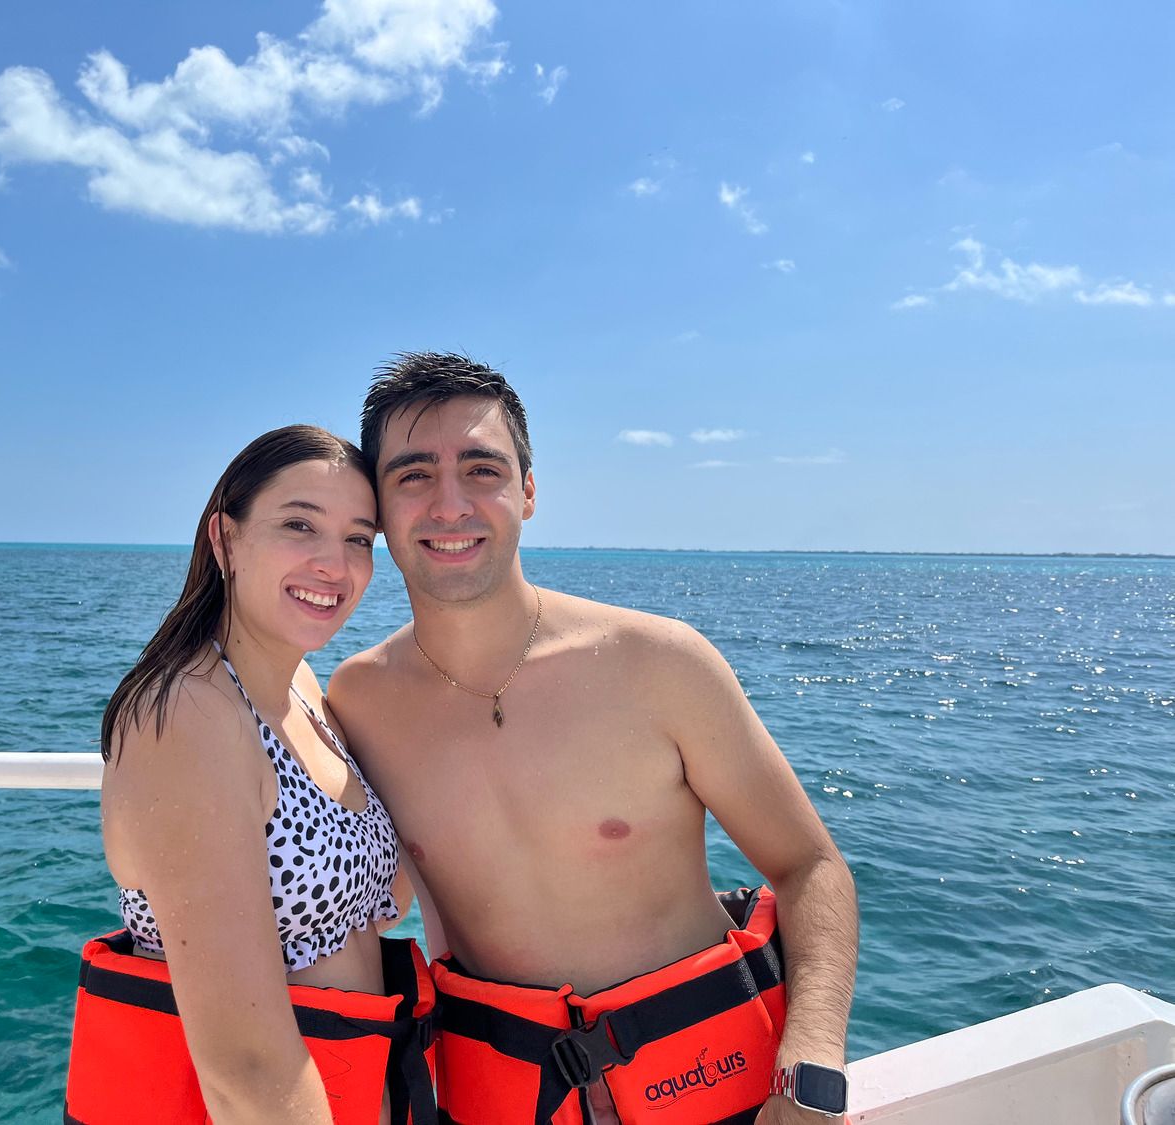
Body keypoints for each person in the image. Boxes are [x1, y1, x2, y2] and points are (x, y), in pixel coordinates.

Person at [328, 356, 859, 1125]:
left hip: (715, 1090)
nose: (450, 504)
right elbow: (360, 899)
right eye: (413, 475)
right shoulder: (359, 702)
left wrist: (811, 1068)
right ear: (377, 504)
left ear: (529, 492)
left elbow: (810, 866)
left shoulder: (659, 662)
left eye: (482, 468)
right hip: (503, 1101)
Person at [65, 425, 436, 1125]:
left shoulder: (302, 685)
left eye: (360, 538)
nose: (336, 563)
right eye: (301, 524)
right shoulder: (188, 713)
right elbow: (245, 1064)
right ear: (226, 538)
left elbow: (373, 896)